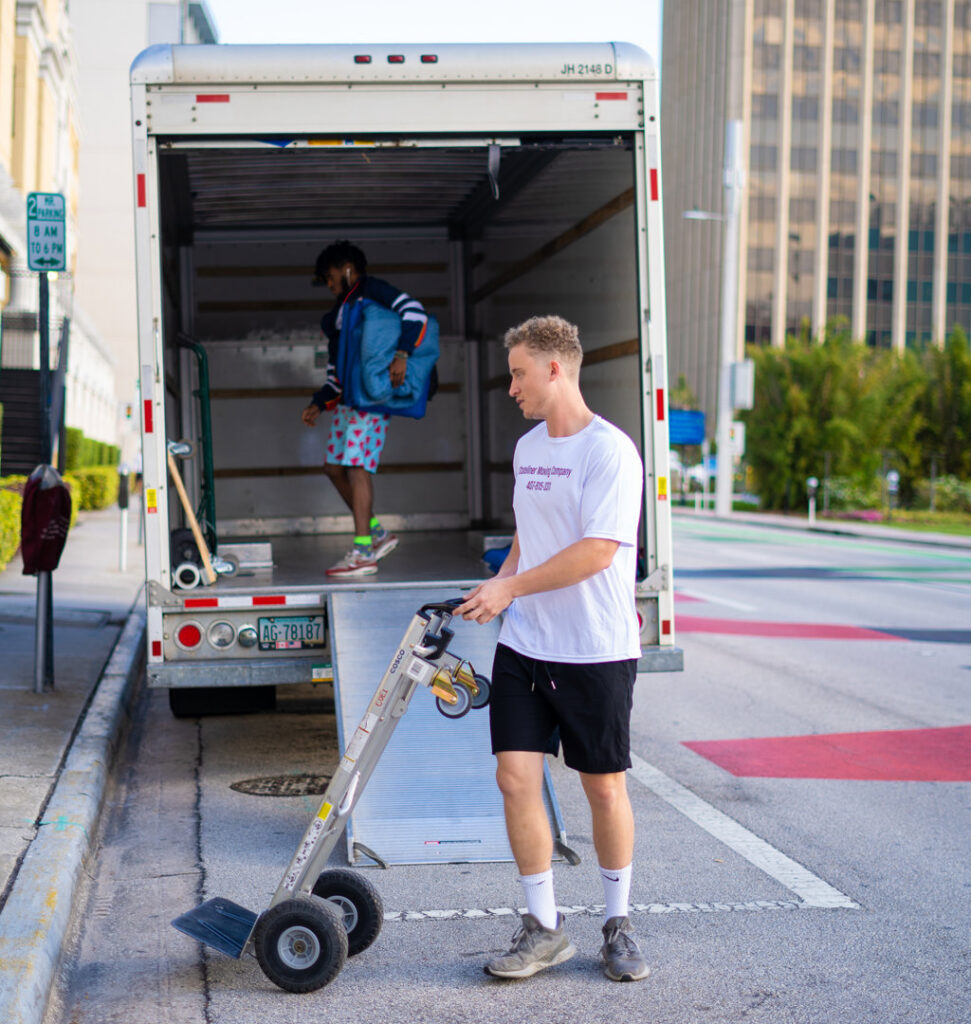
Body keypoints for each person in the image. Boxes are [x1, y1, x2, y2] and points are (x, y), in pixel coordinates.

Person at [455, 315, 649, 983]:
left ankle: (618, 923)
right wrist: (501, 582)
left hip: (593, 649)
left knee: (602, 789)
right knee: (515, 778)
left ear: (554, 369)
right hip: (525, 645)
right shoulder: (529, 447)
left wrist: (511, 587)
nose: (510, 387)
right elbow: (528, 537)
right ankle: (543, 928)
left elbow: (596, 553)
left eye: (517, 373)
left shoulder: (610, 453)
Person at [302, 241, 429, 577]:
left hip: (370, 402)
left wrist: (402, 354)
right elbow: (336, 369)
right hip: (347, 402)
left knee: (358, 468)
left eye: (330, 277)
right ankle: (376, 533)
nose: (329, 285)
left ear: (347, 268)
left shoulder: (373, 290)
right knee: (333, 468)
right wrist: (320, 402)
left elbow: (415, 312)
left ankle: (363, 552)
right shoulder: (339, 312)